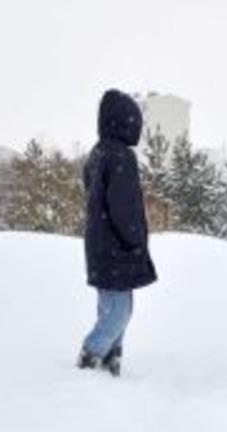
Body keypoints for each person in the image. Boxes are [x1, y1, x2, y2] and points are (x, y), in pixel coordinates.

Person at [78, 89, 158, 377]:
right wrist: (135, 240)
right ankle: (91, 355)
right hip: (116, 248)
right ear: (124, 122)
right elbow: (123, 207)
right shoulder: (120, 156)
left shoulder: (98, 153)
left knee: (110, 306)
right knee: (119, 311)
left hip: (100, 247)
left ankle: (111, 360)